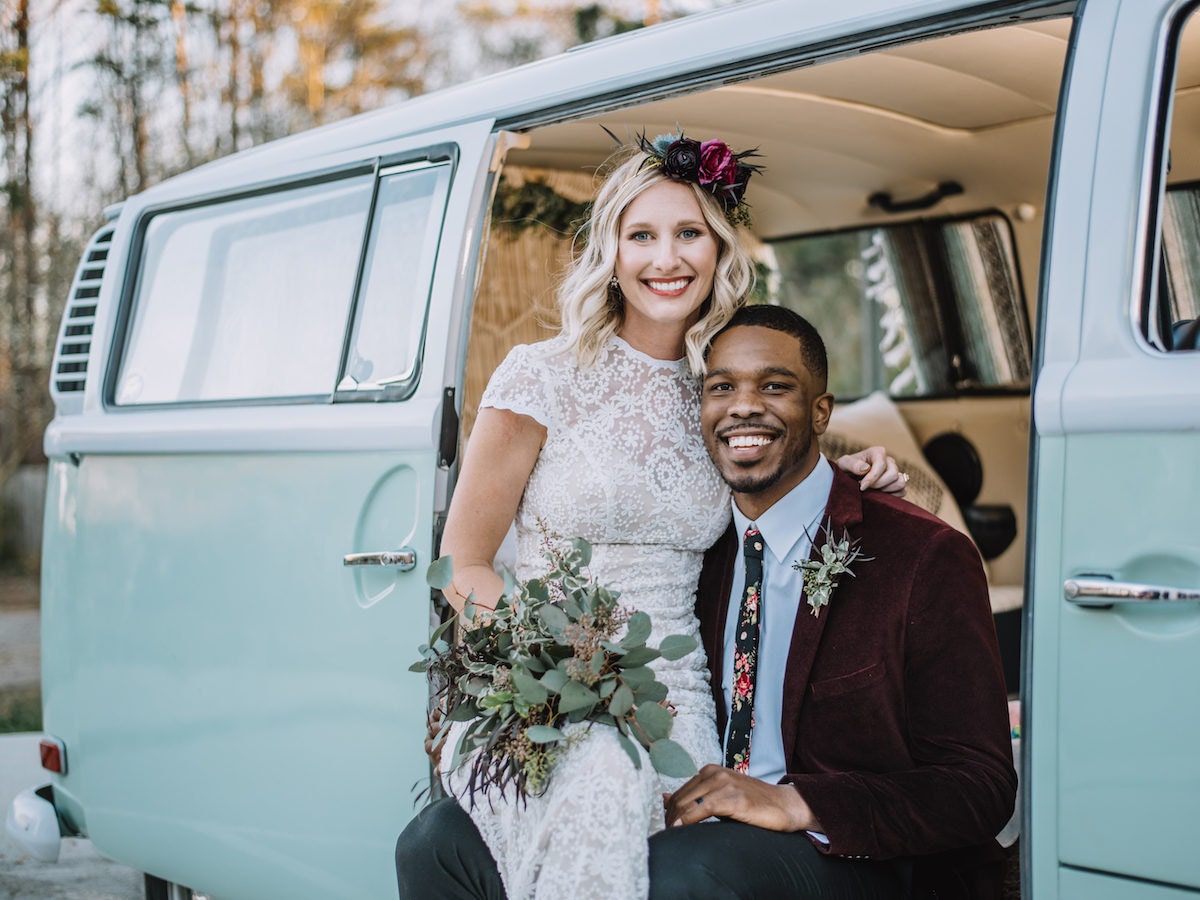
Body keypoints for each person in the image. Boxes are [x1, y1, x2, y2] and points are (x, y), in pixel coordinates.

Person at [395, 133, 905, 900]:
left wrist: (851, 473)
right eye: (643, 236)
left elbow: (781, 466)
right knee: (600, 774)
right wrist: (560, 669)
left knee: (671, 824)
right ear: (613, 252)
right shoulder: (542, 376)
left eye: (689, 233)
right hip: (539, 690)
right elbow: (464, 562)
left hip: (674, 702)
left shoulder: (718, 391)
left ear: (718, 250)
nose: (667, 258)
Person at [649, 305, 1017, 899]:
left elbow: (980, 787)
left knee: (677, 872)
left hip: (863, 860)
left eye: (774, 385)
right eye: (722, 387)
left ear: (821, 411)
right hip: (703, 831)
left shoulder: (922, 554)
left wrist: (800, 805)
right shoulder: (693, 552)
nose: (743, 405)